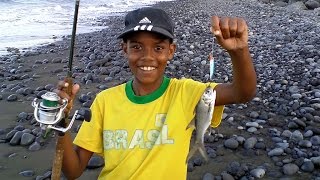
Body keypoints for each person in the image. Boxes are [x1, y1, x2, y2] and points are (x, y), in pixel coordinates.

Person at [55, 7, 256, 179]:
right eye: (137, 47)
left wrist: (239, 52)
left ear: (171, 51)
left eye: (158, 47)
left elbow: (242, 93)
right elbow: (73, 171)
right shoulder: (105, 101)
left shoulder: (186, 92)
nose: (147, 57)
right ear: (124, 49)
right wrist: (61, 123)